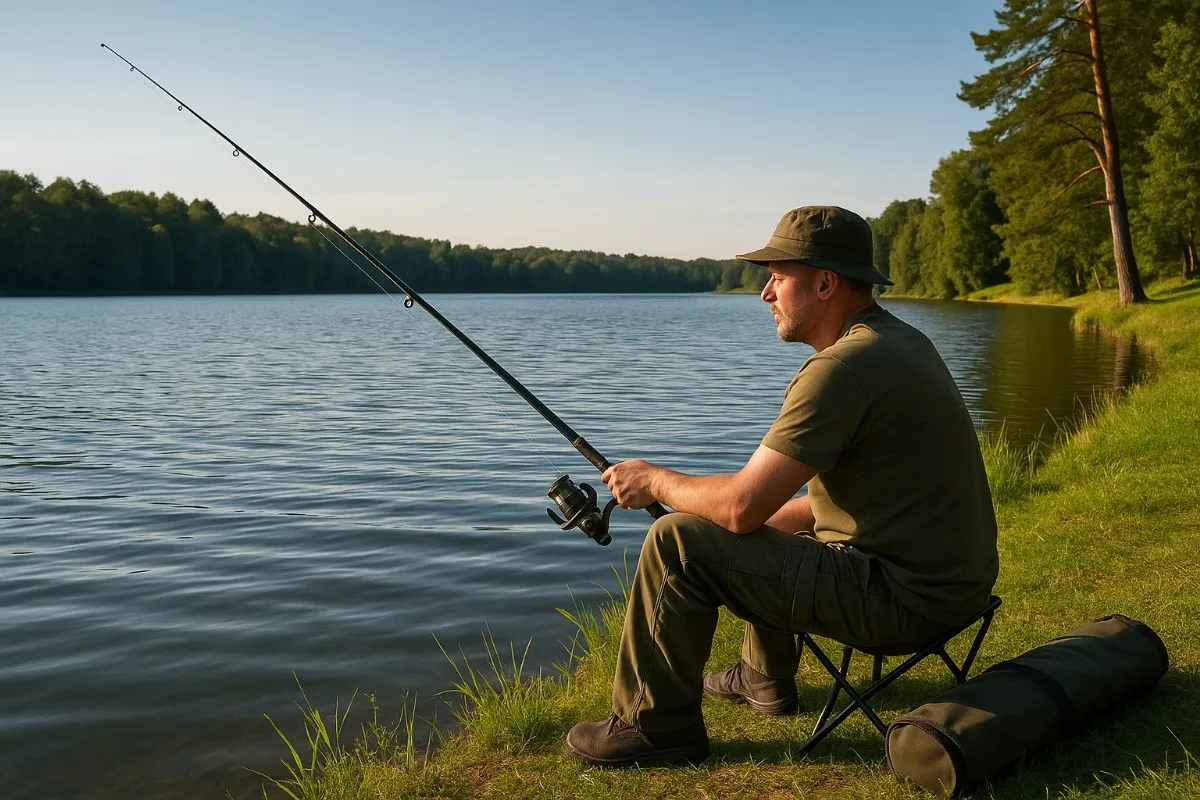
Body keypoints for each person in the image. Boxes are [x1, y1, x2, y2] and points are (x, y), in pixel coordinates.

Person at [563, 206, 999, 768]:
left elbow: (741, 506)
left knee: (678, 540)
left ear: (824, 283)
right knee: (753, 522)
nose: (765, 293)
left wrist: (655, 480)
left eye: (778, 276)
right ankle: (763, 678)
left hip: (905, 602)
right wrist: (737, 517)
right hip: (953, 588)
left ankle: (655, 727)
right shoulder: (899, 342)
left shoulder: (843, 368)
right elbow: (809, 509)